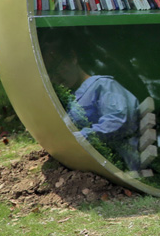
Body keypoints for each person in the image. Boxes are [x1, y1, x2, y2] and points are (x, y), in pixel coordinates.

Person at [40, 34, 142, 171]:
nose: (55, 77)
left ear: (73, 57)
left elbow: (117, 120)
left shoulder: (104, 85)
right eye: (49, 73)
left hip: (121, 164)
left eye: (56, 66)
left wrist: (79, 138)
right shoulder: (70, 98)